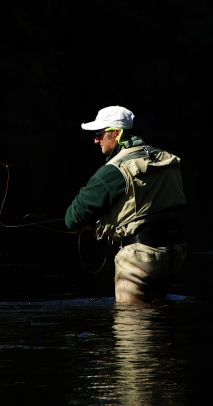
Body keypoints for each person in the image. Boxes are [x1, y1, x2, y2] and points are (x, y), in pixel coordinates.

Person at [65, 105, 188, 304]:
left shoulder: (114, 170)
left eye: (99, 134)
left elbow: (72, 217)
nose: (95, 140)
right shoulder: (164, 157)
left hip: (140, 258)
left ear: (116, 133)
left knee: (131, 327)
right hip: (175, 253)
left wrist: (87, 222)